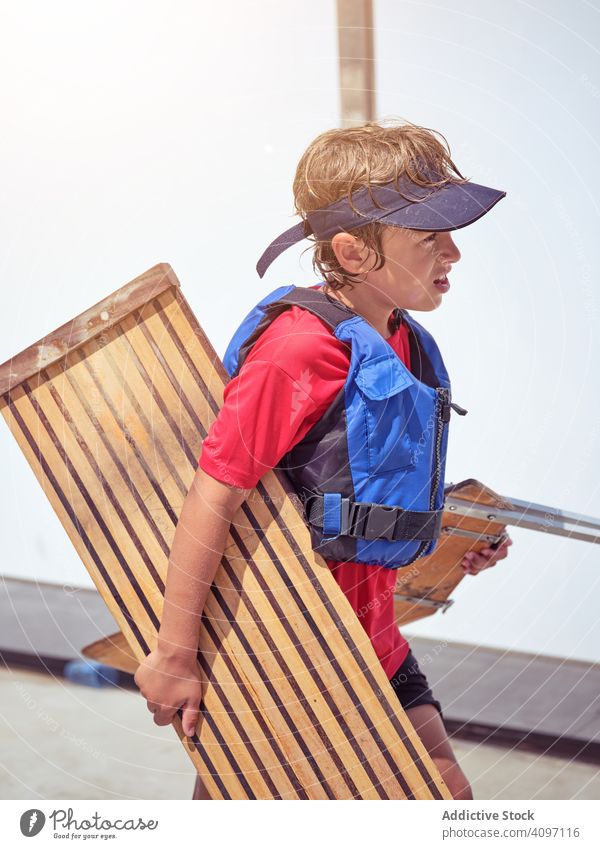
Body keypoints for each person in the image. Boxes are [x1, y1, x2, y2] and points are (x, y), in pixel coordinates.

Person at [134, 120, 513, 800]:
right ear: (352, 250)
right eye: (430, 237)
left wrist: (449, 541)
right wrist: (174, 652)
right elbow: (214, 496)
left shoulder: (400, 339)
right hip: (293, 654)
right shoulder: (299, 351)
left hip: (379, 647)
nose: (454, 251)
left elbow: (351, 502)